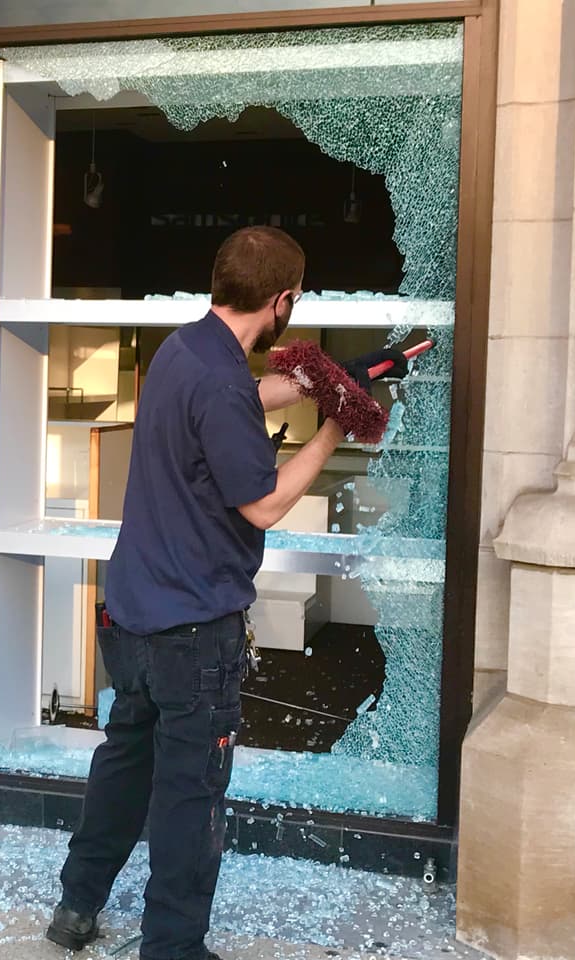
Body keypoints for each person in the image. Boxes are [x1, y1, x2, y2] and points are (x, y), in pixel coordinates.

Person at [45, 226, 407, 960]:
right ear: (283, 300)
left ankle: (77, 905)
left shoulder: (185, 351)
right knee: (189, 794)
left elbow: (243, 398)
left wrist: (331, 378)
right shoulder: (217, 377)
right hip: (191, 632)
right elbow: (265, 503)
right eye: (293, 302)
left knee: (124, 767)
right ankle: (173, 948)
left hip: (134, 615)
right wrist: (338, 424)